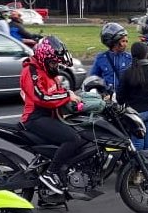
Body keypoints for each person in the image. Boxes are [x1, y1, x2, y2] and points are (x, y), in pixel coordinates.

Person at [20, 36, 83, 193]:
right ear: (44, 58)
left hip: (50, 116)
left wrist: (72, 95)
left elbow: (57, 91)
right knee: (73, 139)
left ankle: (49, 196)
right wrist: (67, 96)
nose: (56, 65)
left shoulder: (48, 71)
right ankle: (51, 173)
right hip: (35, 118)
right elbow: (42, 97)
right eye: (54, 62)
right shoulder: (31, 71)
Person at [89, 22, 132, 92]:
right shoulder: (101, 58)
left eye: (126, 41)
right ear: (114, 42)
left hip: (125, 98)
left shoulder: (130, 58)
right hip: (107, 98)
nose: (125, 44)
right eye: (123, 41)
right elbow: (93, 79)